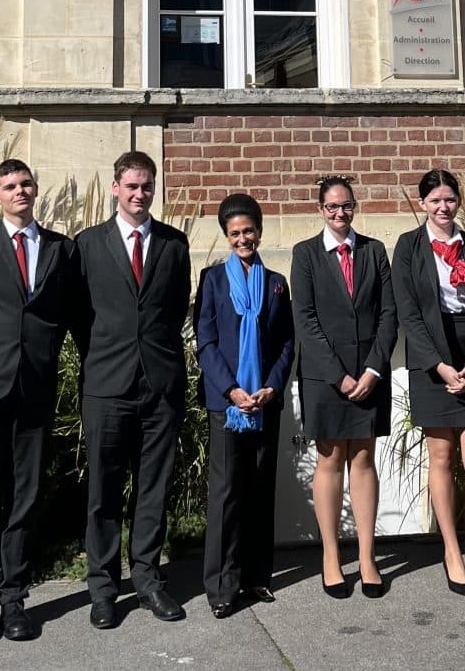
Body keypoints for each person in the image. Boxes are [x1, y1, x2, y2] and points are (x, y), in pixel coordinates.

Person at [0, 158, 78, 644]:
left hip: (34, 385)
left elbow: (65, 312)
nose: (19, 191)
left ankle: (15, 598)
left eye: (25, 183)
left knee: (25, 495)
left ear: (36, 190)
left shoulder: (61, 248)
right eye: (9, 185)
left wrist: (40, 352)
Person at [73, 151, 192, 629]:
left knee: (153, 487)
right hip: (106, 384)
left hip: (160, 384)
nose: (139, 194)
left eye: (146, 186)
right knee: (103, 490)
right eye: (131, 186)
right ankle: (102, 587)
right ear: (115, 188)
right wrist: (104, 356)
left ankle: (147, 579)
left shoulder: (173, 243)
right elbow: (80, 317)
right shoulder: (86, 245)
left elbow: (174, 309)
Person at [391, 168, 465, 601]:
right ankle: (452, 553)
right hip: (431, 359)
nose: (442, 206)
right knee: (440, 457)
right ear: (423, 204)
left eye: (449, 199)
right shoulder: (409, 246)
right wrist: (438, 366)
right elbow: (407, 312)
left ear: (459, 201)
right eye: (434, 200)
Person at [291, 176, 398, 599]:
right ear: (321, 210)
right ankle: (331, 557)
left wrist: (373, 369)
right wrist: (339, 374)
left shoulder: (374, 251)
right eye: (332, 207)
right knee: (331, 459)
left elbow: (390, 314)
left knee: (365, 459)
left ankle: (368, 557)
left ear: (355, 206)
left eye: (346, 206)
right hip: (326, 377)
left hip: (370, 374)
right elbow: (306, 319)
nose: (339, 214)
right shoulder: (305, 254)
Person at [194, 193, 295, 619]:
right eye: (234, 233)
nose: (242, 238)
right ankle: (221, 585)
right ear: (226, 236)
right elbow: (206, 341)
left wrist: (272, 386)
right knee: (227, 494)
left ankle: (256, 576)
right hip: (228, 403)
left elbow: (287, 341)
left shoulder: (276, 282)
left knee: (259, 488)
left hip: (265, 403)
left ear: (259, 230)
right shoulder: (212, 281)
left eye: (248, 230)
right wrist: (232, 390)